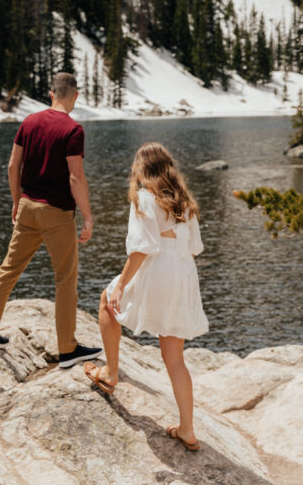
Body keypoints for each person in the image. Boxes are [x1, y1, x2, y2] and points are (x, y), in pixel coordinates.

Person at [84, 143, 208, 451]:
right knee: (174, 357)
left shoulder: (144, 198)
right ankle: (187, 430)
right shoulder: (185, 202)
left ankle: (111, 373)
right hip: (184, 273)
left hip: (159, 269)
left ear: (142, 170)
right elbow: (193, 247)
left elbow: (142, 248)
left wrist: (121, 285)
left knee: (107, 302)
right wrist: (169, 236)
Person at [0, 72, 102, 369]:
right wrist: (87, 216)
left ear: (51, 93)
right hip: (56, 213)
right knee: (66, 279)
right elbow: (75, 176)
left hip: (28, 207)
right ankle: (68, 350)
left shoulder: (29, 122)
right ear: (76, 96)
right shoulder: (73, 130)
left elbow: (12, 166)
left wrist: (16, 200)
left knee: (8, 270)